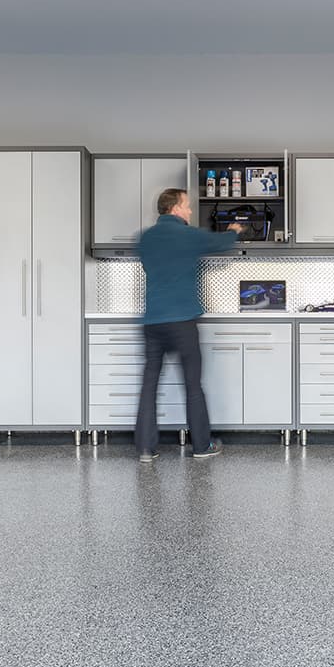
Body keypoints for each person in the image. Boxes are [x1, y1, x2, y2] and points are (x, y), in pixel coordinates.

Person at [135, 189, 243, 463]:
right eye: (187, 206)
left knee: (149, 385)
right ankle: (201, 446)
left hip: (152, 323)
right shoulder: (188, 234)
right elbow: (220, 244)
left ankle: (146, 449)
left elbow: (155, 269)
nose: (191, 211)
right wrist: (233, 230)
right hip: (182, 321)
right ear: (175, 208)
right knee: (193, 386)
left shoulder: (145, 238)